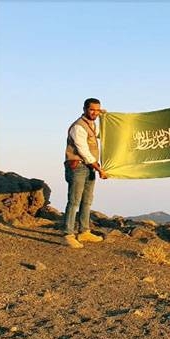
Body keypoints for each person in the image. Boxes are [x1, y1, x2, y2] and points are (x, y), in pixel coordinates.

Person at [63, 98, 108, 249]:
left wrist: (106, 117)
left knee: (87, 200)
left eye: (97, 110)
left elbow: (104, 134)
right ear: (84, 109)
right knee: (74, 200)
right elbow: (83, 151)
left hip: (89, 167)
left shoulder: (93, 125)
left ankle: (84, 231)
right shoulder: (78, 127)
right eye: (92, 110)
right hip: (78, 167)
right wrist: (99, 168)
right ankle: (68, 234)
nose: (95, 112)